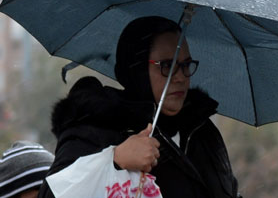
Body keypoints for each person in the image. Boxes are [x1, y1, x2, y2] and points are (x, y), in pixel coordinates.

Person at [38, 16, 239, 198]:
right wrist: (115, 161)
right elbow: (52, 194)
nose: (179, 77)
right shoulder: (95, 128)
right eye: (167, 66)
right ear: (137, 70)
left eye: (186, 65)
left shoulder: (202, 131)